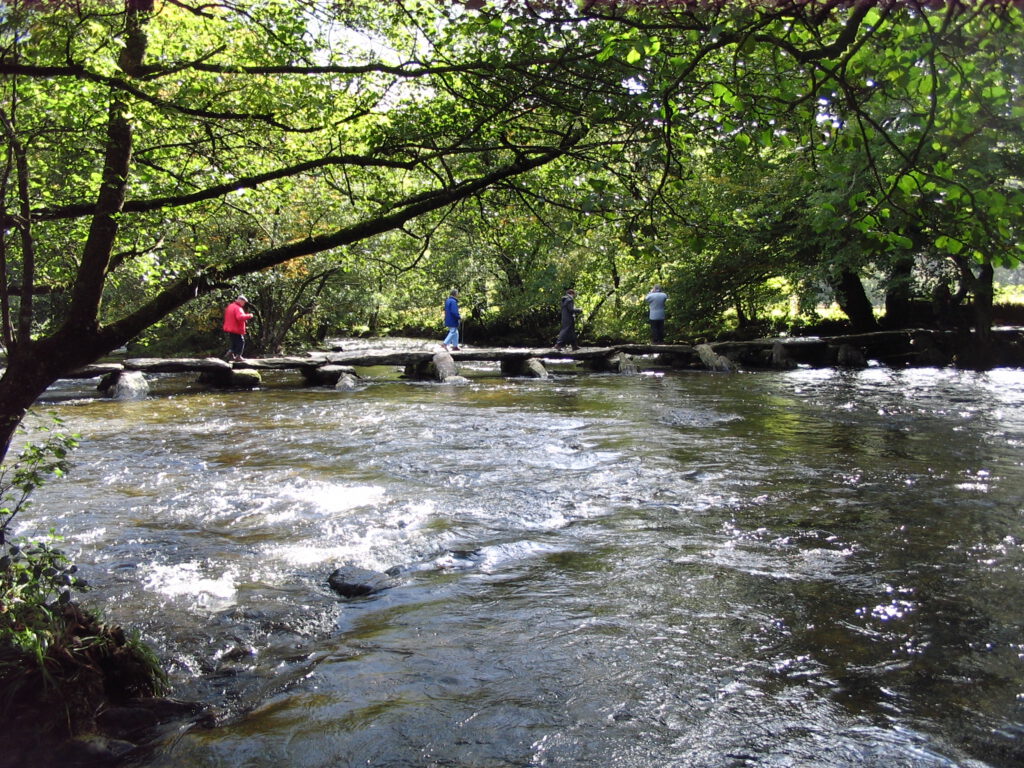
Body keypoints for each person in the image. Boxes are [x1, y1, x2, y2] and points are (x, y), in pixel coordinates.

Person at [223, 295, 254, 361]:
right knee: (241, 342)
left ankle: (230, 354)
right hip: (236, 328)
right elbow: (240, 317)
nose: (244, 304)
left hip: (230, 328)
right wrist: (249, 315)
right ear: (241, 300)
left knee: (234, 342)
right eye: (244, 302)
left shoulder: (230, 306)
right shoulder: (238, 308)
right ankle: (238, 356)